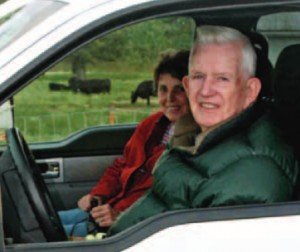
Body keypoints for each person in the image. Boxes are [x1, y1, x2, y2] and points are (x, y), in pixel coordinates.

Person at [108, 25, 299, 235]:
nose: (206, 91)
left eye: (222, 78)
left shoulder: (252, 174)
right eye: (199, 76)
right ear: (188, 85)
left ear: (250, 90)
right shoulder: (193, 139)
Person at [58, 49, 191, 236]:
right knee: (45, 223)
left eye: (179, 89)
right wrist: (97, 194)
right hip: (106, 212)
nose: (169, 99)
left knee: (37, 237)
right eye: (163, 89)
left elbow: (163, 201)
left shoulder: (192, 144)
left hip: (129, 230)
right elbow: (122, 165)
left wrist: (120, 215)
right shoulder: (151, 124)